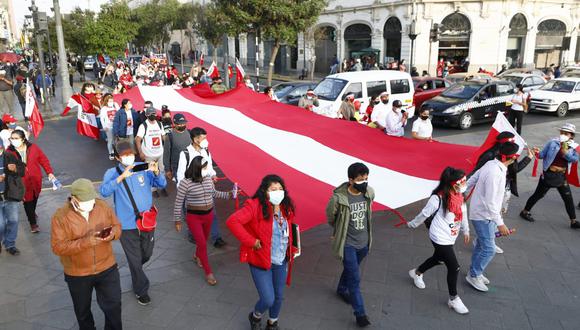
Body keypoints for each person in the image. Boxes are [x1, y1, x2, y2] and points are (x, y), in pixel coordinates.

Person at [100, 141, 167, 306]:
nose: (129, 157)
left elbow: (161, 184)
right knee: (134, 259)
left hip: (147, 220)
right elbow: (103, 192)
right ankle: (141, 290)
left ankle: (136, 270)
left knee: (147, 253)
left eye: (131, 154)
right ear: (117, 157)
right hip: (126, 223)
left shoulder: (142, 167)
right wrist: (121, 177)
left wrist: (157, 172)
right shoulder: (112, 172)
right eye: (124, 155)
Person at [227, 174, 297, 330]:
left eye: (280, 189)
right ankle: (255, 316)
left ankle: (272, 323)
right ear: (265, 191)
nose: (278, 192)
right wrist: (251, 241)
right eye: (273, 189)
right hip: (261, 261)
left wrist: (292, 248)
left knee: (278, 296)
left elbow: (289, 229)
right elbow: (233, 221)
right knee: (268, 298)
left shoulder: (286, 207)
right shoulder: (255, 206)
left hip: (281, 260)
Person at [51, 179, 122, 330]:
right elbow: (58, 247)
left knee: (114, 306)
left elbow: (117, 226)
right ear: (74, 198)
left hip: (107, 267)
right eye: (86, 200)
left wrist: (112, 235)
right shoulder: (61, 216)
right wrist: (86, 242)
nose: (90, 203)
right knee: (82, 312)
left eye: (91, 199)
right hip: (78, 273)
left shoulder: (102, 205)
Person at [407, 167, 470, 314]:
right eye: (463, 182)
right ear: (454, 183)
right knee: (454, 267)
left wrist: (466, 230)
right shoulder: (438, 197)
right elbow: (424, 214)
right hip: (439, 236)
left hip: (451, 235)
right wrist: (413, 224)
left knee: (439, 259)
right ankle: (453, 298)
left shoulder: (460, 195)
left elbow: (464, 213)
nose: (465, 184)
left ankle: (417, 272)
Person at [173, 156, 235, 285]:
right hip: (194, 217)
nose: (207, 170)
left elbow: (214, 193)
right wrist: (177, 220)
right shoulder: (186, 182)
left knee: (203, 240)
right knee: (202, 243)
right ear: (197, 168)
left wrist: (229, 194)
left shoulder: (207, 179)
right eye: (204, 167)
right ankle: (209, 272)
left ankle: (197, 255)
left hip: (209, 216)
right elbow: (178, 202)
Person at [326, 163, 374, 327]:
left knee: (350, 269)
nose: (365, 182)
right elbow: (331, 218)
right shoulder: (338, 198)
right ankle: (360, 314)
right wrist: (338, 231)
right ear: (351, 180)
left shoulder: (369, 193)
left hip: (364, 244)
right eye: (361, 179)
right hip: (348, 245)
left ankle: (341, 289)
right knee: (355, 278)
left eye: (366, 179)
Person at [465, 142, 517, 292]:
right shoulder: (495, 172)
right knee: (489, 249)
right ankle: (474, 275)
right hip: (484, 215)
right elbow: (490, 201)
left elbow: (474, 178)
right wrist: (500, 223)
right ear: (512, 157)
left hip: (486, 213)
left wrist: (463, 188)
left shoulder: (491, 164)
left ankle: (475, 271)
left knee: (482, 245)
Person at [520, 124, 580, 229]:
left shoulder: (575, 147)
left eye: (566, 133)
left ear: (571, 135)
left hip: (562, 176)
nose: (563, 135)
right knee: (538, 195)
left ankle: (573, 221)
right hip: (549, 174)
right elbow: (542, 155)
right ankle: (525, 211)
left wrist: (565, 153)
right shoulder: (552, 142)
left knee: (568, 198)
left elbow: (574, 159)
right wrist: (537, 152)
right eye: (562, 132)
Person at [177, 127, 227, 248]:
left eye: (206, 137)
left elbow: (209, 168)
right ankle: (193, 233)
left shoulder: (206, 152)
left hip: (206, 187)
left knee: (212, 212)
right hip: (192, 190)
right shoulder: (185, 154)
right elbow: (180, 174)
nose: (206, 140)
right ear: (195, 139)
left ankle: (216, 237)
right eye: (203, 138)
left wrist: (213, 176)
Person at [7, 130, 55, 233]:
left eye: (16, 138)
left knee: (35, 198)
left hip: (35, 180)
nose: (13, 140)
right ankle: (33, 223)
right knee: (28, 202)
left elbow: (43, 160)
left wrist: (49, 172)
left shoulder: (33, 148)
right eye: (12, 138)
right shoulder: (9, 152)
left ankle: (32, 212)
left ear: (23, 139)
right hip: (21, 183)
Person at [135, 106, 168, 197]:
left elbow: (163, 136)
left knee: (161, 170)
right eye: (150, 114)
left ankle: (162, 187)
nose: (152, 115)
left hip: (160, 153)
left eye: (153, 113)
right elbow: (138, 139)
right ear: (146, 115)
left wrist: (168, 144)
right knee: (151, 171)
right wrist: (140, 152)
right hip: (149, 154)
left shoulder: (159, 124)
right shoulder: (143, 126)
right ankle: (153, 189)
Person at [0, 140, 25, 255]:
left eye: (0, 149)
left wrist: (15, 169)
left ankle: (10, 244)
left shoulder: (10, 156)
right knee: (1, 224)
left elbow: (22, 170)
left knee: (13, 221)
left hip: (10, 195)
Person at [163, 114, 190, 181]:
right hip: (177, 167)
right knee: (181, 187)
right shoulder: (170, 136)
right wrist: (167, 170)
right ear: (174, 124)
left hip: (190, 165)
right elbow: (166, 154)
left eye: (183, 123)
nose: (182, 125)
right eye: (179, 124)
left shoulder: (190, 132)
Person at [100, 95, 119, 160]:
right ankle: (111, 153)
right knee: (110, 140)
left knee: (116, 139)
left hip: (116, 126)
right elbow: (102, 119)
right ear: (107, 101)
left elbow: (119, 113)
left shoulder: (115, 106)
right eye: (110, 101)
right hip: (109, 127)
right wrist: (104, 126)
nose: (111, 102)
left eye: (112, 101)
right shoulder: (104, 108)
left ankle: (117, 151)